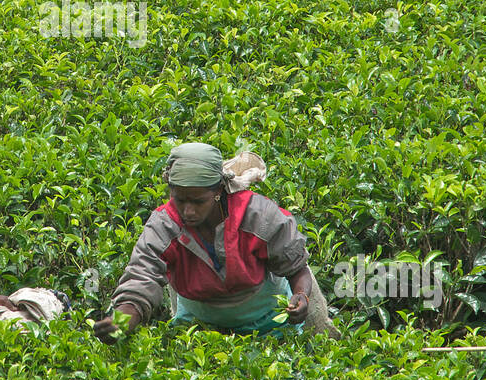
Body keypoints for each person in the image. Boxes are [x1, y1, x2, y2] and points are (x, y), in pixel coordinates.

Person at [93, 143, 340, 342]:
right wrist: (120, 323)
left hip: (267, 317)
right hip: (199, 324)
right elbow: (141, 279)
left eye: (198, 201)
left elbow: (296, 268)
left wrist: (301, 296)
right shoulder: (163, 225)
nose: (187, 211)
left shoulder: (258, 216)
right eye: (180, 200)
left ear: (218, 192)